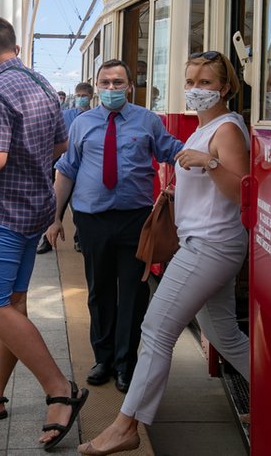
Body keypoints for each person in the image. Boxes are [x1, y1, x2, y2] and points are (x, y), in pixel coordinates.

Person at [75, 51, 251, 455]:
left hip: (209, 245)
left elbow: (241, 190)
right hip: (207, 243)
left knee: (154, 330)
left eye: (205, 83)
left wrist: (208, 164)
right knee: (225, 335)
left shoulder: (225, 129)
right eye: (190, 81)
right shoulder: (205, 128)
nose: (195, 90)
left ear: (225, 87)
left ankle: (126, 425)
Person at [0, 17, 89, 450]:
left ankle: (60, 389)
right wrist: (29, 163)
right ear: (15, 44)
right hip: (34, 210)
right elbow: (59, 146)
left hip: (1, 215)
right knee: (12, 304)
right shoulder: (43, 84)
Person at [46, 59, 183, 394]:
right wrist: (54, 218)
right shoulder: (81, 124)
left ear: (129, 86)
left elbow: (174, 153)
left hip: (135, 220)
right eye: (105, 83)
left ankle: (126, 363)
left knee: (134, 294)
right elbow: (67, 170)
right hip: (92, 220)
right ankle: (103, 358)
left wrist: (212, 151)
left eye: (117, 83)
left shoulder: (148, 121)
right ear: (96, 86)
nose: (111, 89)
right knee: (99, 291)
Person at [37, 82, 94, 255]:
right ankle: (47, 239)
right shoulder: (66, 115)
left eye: (84, 95)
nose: (80, 99)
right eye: (78, 95)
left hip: (85, 167)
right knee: (57, 200)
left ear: (91, 97)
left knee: (79, 205)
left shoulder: (96, 116)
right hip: (64, 165)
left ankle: (80, 238)